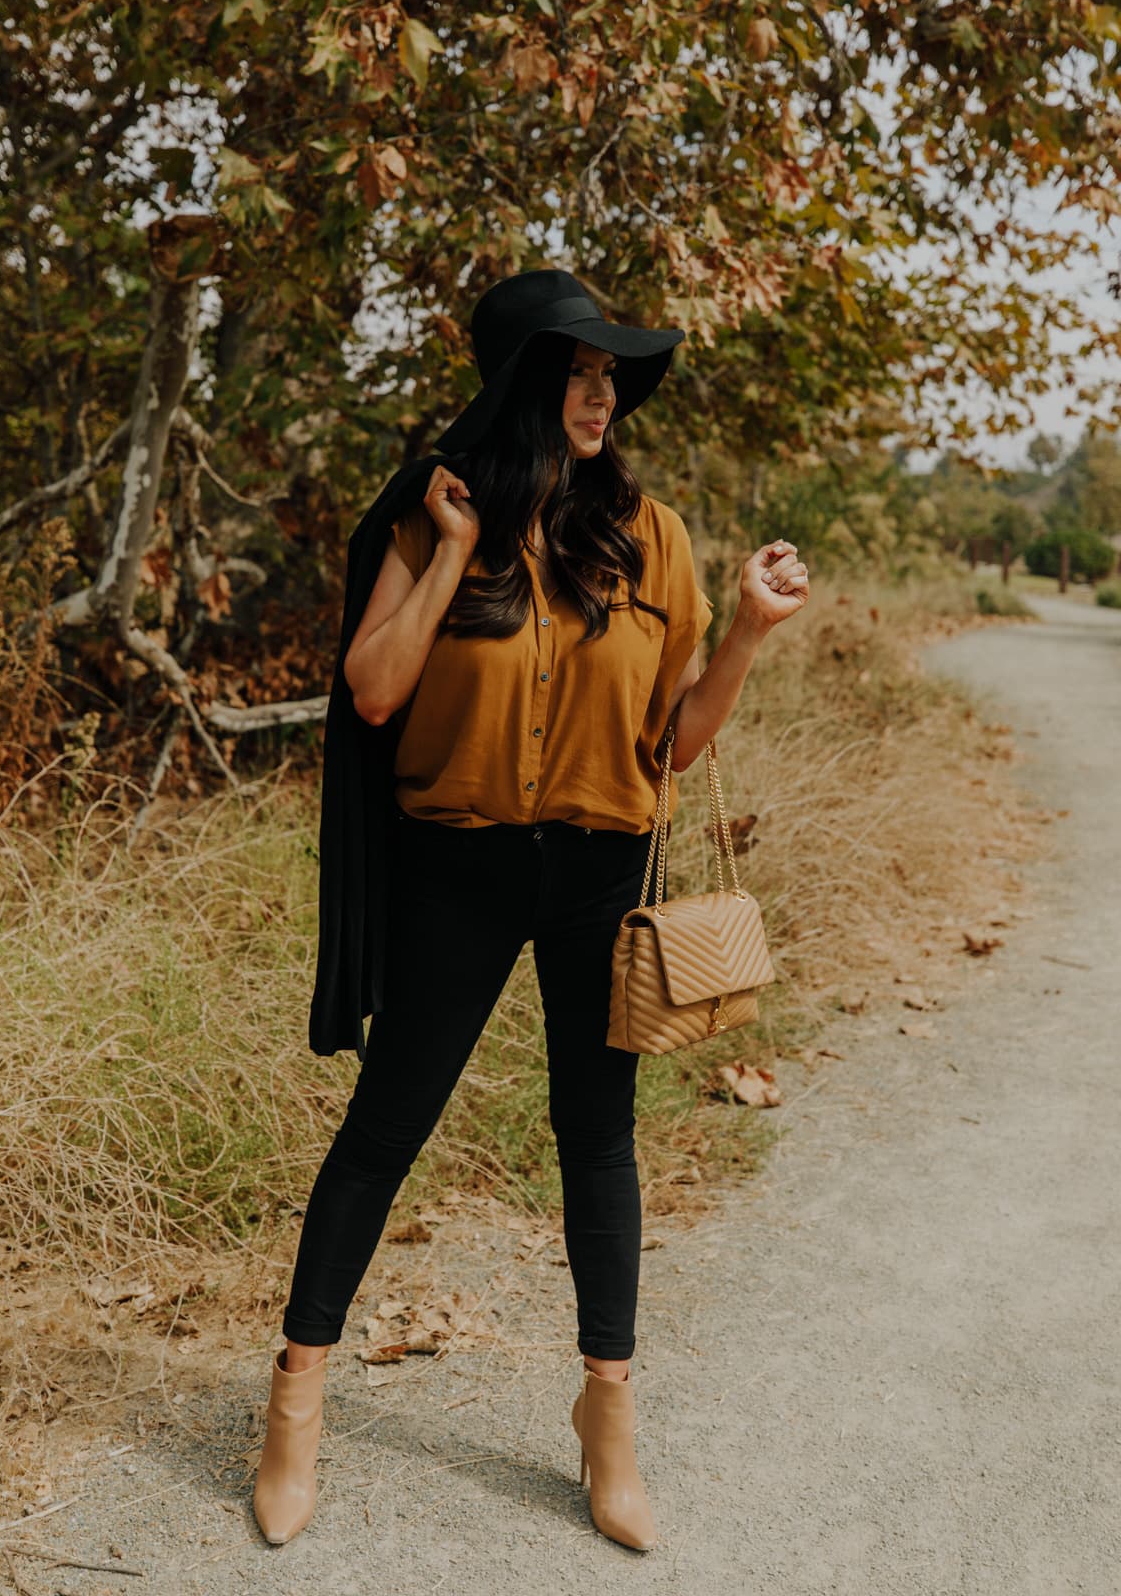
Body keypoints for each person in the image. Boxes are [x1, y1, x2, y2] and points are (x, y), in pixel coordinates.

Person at [252, 268, 810, 1552]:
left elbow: (675, 746)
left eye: (613, 373)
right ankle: (296, 1400)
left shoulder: (652, 536)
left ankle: (607, 1420)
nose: (604, 392)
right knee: (387, 1126)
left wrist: (750, 637)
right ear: (521, 385)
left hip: (601, 871)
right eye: (580, 369)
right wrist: (452, 551)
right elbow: (377, 693)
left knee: (596, 1136)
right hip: (461, 865)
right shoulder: (434, 518)